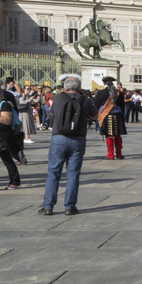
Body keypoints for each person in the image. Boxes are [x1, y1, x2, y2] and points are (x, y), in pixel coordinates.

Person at [40, 74, 98, 215]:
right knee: (73, 173)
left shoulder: (59, 97)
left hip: (59, 138)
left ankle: (48, 206)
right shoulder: (85, 100)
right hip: (78, 139)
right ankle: (70, 206)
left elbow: (52, 113)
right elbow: (95, 116)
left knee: (53, 172)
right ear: (79, 89)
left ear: (65, 88)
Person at [94, 76, 127, 159]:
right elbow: (122, 106)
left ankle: (110, 154)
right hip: (117, 115)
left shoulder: (101, 93)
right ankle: (119, 153)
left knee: (108, 135)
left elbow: (96, 105)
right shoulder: (119, 93)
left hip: (106, 115)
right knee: (117, 135)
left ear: (104, 83)